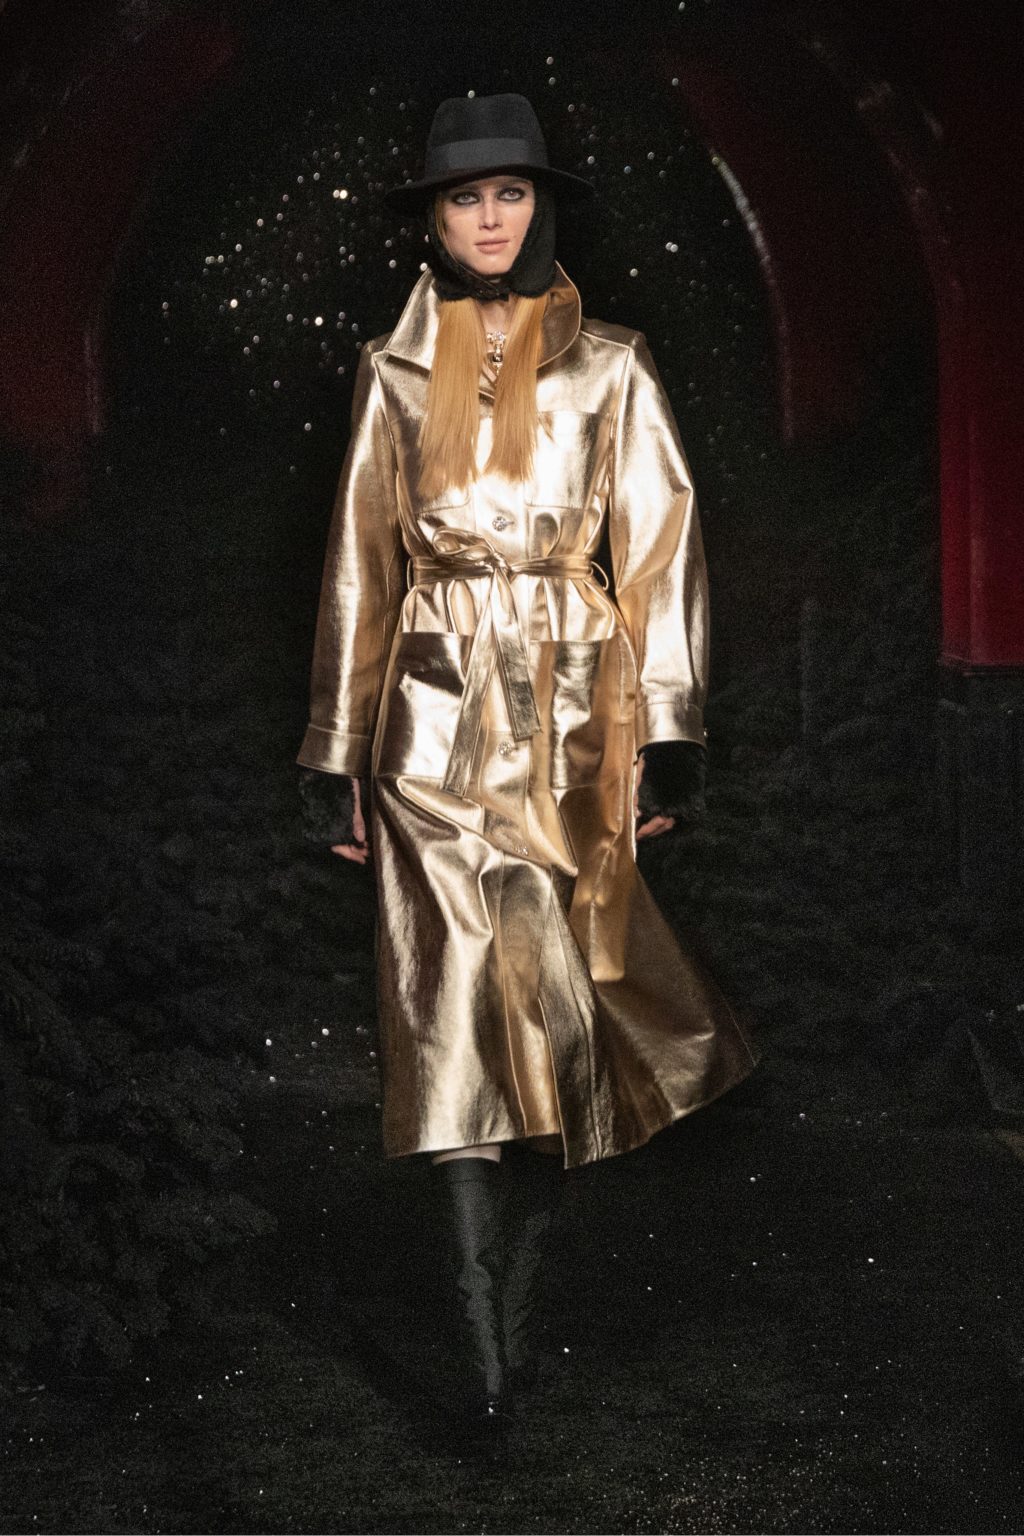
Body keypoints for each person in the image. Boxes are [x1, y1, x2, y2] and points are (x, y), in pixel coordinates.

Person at [296, 92, 759, 1452]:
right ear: (435, 220)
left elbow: (660, 548)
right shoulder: (395, 374)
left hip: (574, 720)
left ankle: (516, 1308)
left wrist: (669, 735)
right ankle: (487, 1362)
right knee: (445, 1009)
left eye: (509, 193)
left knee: (563, 1018)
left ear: (540, 205)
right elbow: (357, 564)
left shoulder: (613, 363)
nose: (490, 217)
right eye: (464, 197)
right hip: (429, 721)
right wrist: (334, 754)